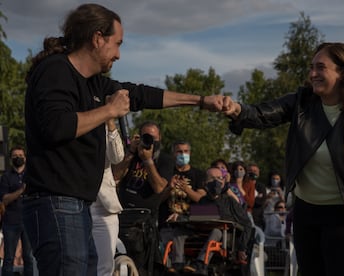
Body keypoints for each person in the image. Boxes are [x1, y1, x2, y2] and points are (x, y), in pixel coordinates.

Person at [23, 3, 227, 276]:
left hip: (78, 206)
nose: (119, 54)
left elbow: (142, 95)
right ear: (97, 38)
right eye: (117, 43)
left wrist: (201, 101)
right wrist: (109, 110)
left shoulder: (94, 82)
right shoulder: (54, 70)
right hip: (55, 203)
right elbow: (56, 126)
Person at [223, 42, 344, 275]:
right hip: (306, 215)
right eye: (311, 68)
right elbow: (263, 113)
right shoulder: (302, 103)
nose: (312, 74)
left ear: (343, 71)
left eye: (321, 67)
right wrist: (237, 109)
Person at [114, 121, 173, 276]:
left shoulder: (165, 159)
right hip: (121, 215)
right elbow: (114, 176)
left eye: (153, 138)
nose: (150, 142)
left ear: (159, 139)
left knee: (142, 268)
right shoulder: (131, 154)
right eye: (146, 137)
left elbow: (159, 187)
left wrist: (147, 160)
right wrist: (130, 153)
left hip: (144, 221)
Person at [183, 167, 254, 275]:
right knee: (178, 233)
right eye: (212, 178)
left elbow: (247, 224)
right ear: (205, 183)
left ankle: (200, 264)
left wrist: (242, 248)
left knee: (216, 231)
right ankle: (176, 265)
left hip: (226, 238)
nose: (216, 181)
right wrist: (180, 216)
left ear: (223, 181)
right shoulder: (202, 201)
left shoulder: (230, 201)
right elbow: (194, 218)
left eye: (219, 178)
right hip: (201, 236)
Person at [158, 140, 206, 273]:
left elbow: (201, 199)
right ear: (173, 154)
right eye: (179, 151)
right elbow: (157, 199)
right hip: (167, 225)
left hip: (190, 225)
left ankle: (180, 267)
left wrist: (186, 189)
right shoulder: (166, 172)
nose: (183, 154)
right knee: (166, 247)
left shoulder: (198, 174)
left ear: (190, 153)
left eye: (186, 151)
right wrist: (169, 188)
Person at [90, 118, 124, 276]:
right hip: (76, 203)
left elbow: (117, 157)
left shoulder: (105, 128)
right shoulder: (73, 122)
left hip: (104, 208)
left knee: (105, 268)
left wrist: (110, 122)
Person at [0, 146, 33, 276]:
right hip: (11, 222)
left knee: (28, 258)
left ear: (25, 158)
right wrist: (21, 191)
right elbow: (5, 200)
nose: (18, 158)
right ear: (11, 159)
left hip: (29, 221)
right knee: (8, 258)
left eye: (20, 155)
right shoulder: (6, 177)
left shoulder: (31, 176)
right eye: (15, 156)